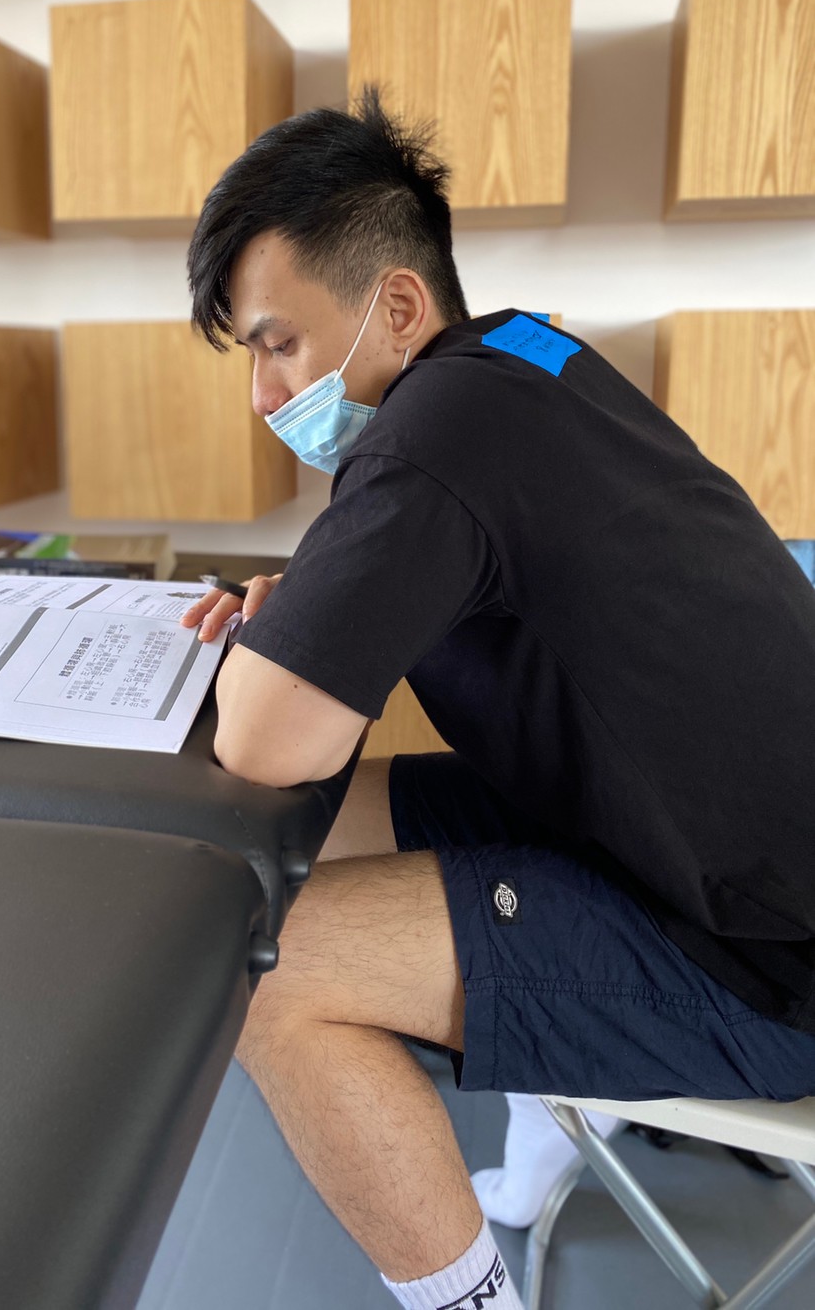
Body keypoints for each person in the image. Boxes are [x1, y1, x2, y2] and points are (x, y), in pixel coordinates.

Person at [177, 88, 815, 1310]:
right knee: (321, 830)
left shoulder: (434, 432)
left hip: (763, 947)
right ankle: (546, 1136)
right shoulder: (523, 355)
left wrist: (283, 641)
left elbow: (264, 741)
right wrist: (311, 615)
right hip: (651, 824)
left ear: (396, 305)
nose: (263, 393)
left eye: (278, 343)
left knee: (266, 965)